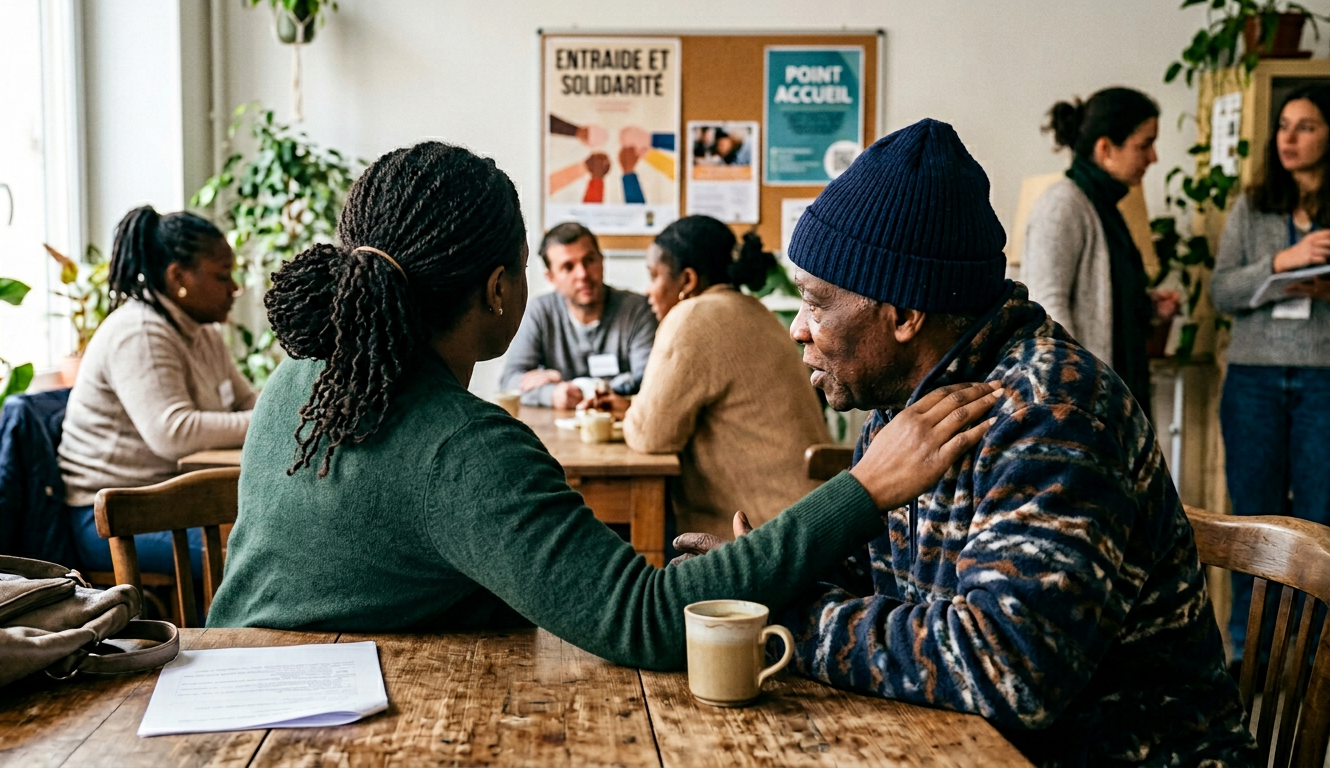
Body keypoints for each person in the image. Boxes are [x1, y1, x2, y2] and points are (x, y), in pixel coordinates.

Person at [205, 141, 1003, 670]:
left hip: (221, 692)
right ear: (499, 289)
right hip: (333, 724)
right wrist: (864, 489)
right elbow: (646, 619)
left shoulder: (300, 379)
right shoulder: (464, 449)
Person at [704, 119, 1251, 765]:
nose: (798, 328)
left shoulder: (1054, 413)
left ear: (904, 314)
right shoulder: (909, 401)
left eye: (816, 303)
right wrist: (760, 575)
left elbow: (1009, 668)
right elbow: (869, 577)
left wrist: (785, 619)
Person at [584, 215, 829, 540]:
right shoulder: (755, 311)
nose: (648, 291)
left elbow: (650, 437)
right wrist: (630, 407)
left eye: (654, 276)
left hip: (760, 536)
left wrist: (634, 415)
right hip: (811, 521)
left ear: (687, 280)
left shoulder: (691, 316)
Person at [59, 206, 255, 575]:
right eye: (222, 276)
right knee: (257, 559)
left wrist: (286, 410)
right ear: (177, 275)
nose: (234, 288)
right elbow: (174, 432)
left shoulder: (203, 331)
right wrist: (269, 421)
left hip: (176, 502)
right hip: (116, 518)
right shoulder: (140, 332)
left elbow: (246, 402)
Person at [1212, 84, 1330, 666]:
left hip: (1324, 380)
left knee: (1319, 524)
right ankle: (1248, 653)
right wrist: (1281, 263)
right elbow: (1221, 291)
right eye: (1284, 125)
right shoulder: (1252, 205)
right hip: (1253, 380)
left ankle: (1311, 664)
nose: (1289, 137)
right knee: (1253, 522)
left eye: (1305, 126)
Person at [1022, 87, 1180, 417]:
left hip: (1113, 395)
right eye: (1144, 145)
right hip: (1080, 403)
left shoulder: (1104, 207)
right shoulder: (1063, 204)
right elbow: (1046, 306)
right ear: (1105, 148)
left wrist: (1148, 306)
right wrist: (1076, 396)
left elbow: (1104, 298)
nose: (1153, 158)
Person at [498, 222, 656, 410]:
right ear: (551, 278)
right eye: (568, 267)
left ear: (602, 260)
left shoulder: (637, 310)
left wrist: (585, 389)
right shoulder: (540, 312)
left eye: (589, 260)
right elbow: (509, 382)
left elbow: (650, 381)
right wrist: (552, 394)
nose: (582, 274)